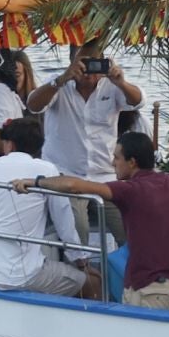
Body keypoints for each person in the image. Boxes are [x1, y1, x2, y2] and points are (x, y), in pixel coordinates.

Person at [20, 130, 169, 310]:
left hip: (148, 291)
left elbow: (74, 185)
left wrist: (35, 182)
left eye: (117, 157)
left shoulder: (130, 190)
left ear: (132, 162)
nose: (113, 163)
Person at [29, 40, 144, 239]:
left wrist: (121, 83)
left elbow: (138, 101)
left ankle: (128, 260)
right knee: (77, 228)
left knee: (131, 227)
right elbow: (33, 105)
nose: (89, 73)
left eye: (94, 65)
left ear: (104, 63)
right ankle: (79, 261)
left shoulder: (111, 86)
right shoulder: (58, 84)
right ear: (72, 62)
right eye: (83, 64)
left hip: (105, 176)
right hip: (66, 174)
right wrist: (61, 79)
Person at [0, 118, 94, 297]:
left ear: (10, 145)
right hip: (21, 275)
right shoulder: (47, 170)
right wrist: (80, 260)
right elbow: (64, 222)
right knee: (92, 282)